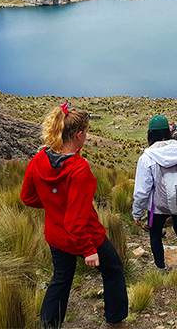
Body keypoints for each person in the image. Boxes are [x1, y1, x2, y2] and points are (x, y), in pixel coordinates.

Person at [20, 103, 128, 329]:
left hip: (56, 235)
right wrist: (88, 250)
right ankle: (115, 319)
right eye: (86, 132)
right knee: (114, 270)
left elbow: (27, 197)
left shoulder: (39, 159)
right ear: (78, 134)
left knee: (60, 278)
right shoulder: (79, 170)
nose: (86, 137)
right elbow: (75, 221)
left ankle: (49, 325)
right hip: (86, 237)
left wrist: (54, 205)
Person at [132, 115, 177, 273]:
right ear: (168, 132)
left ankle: (160, 268)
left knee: (155, 235)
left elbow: (142, 192)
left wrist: (137, 213)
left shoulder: (147, 157)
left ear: (150, 134)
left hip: (157, 207)